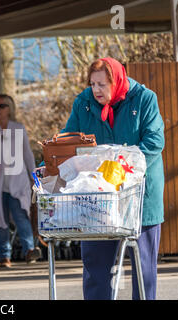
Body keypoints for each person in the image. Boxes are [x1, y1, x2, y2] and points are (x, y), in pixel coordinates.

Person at [62, 57, 164, 300]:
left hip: (139, 196)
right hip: (98, 197)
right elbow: (68, 140)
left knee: (143, 268)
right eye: (92, 84)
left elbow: (154, 141)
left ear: (117, 81)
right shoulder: (84, 102)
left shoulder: (144, 98)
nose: (95, 90)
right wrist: (48, 166)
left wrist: (122, 165)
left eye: (102, 85)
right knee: (96, 266)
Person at [0, 94, 41, 268]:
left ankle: (30, 250)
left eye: (2, 106)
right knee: (1, 221)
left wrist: (34, 178)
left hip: (18, 181)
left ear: (10, 109)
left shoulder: (18, 128)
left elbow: (27, 155)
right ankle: (4, 257)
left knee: (22, 217)